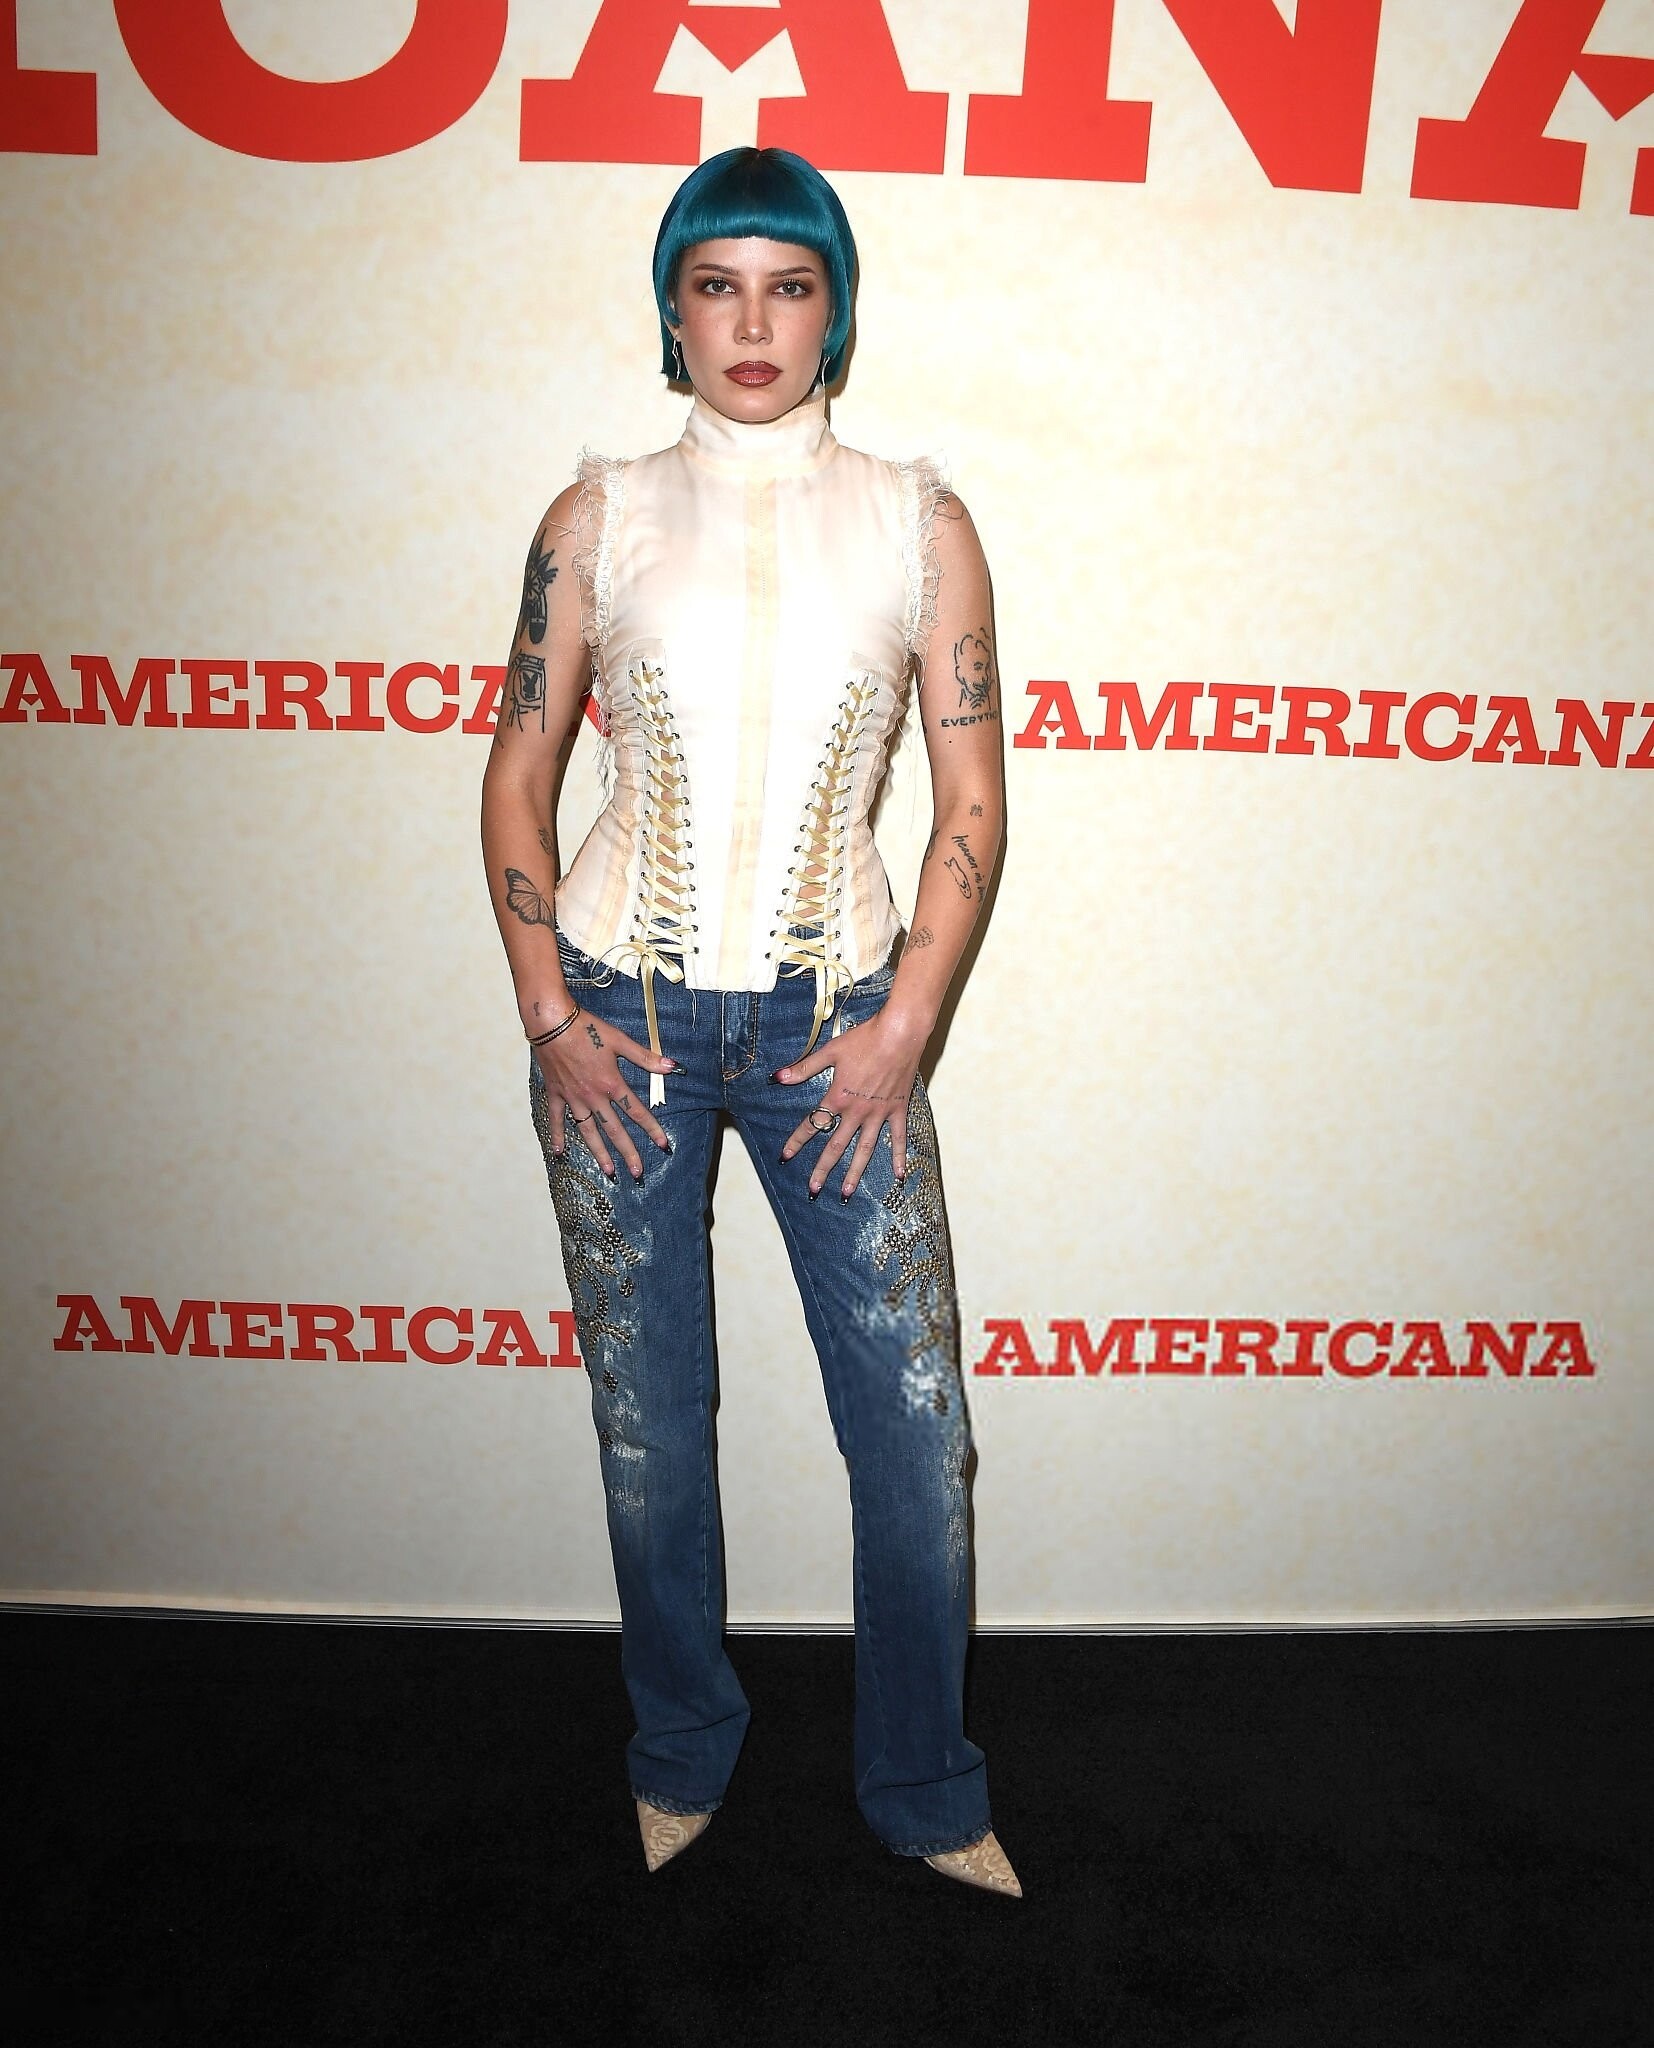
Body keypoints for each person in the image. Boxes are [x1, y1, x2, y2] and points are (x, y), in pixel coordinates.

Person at [479, 147, 1017, 1898]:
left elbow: (970, 805)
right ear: (673, 310)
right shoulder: (595, 519)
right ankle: (678, 1751)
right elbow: (516, 775)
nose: (753, 322)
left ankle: (924, 1785)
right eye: (717, 285)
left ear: (833, 310)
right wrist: (549, 1014)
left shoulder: (922, 523)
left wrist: (905, 1025)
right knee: (650, 1422)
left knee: (915, 1430)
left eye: (790, 286)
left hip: (837, 1028)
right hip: (612, 1023)